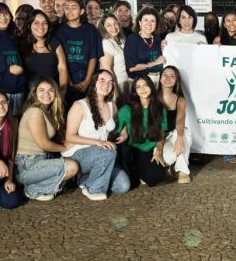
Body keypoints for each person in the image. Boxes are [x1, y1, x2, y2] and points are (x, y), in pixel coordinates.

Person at [62, 69, 130, 200]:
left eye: (110, 82)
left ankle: (85, 179)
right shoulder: (79, 106)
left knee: (123, 186)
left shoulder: (112, 106)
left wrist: (124, 131)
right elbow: (70, 136)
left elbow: (109, 131)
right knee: (109, 152)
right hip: (78, 154)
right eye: (102, 80)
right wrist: (98, 142)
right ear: (94, 83)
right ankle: (93, 189)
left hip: (101, 156)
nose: (106, 85)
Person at [15, 78, 79, 201]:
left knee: (72, 163)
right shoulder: (35, 112)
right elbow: (44, 144)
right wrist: (65, 147)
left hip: (40, 159)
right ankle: (33, 189)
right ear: (35, 93)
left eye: (50, 90)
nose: (46, 93)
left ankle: (37, 186)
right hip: (27, 164)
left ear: (55, 92)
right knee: (72, 167)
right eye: (42, 90)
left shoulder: (46, 111)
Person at [213, 11, 236, 164]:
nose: (231, 23)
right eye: (227, 21)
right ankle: (228, 151)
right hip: (225, 83)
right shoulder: (218, 40)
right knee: (228, 118)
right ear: (223, 24)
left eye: (234, 20)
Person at [117, 75, 168, 186]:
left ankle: (142, 170)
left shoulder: (160, 108)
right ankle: (132, 171)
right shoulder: (126, 109)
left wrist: (159, 151)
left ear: (151, 87)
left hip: (149, 149)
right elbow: (118, 132)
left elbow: (161, 133)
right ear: (135, 91)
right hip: (133, 149)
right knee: (131, 183)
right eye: (138, 87)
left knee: (156, 177)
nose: (143, 89)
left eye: (145, 85)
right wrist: (124, 130)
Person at [53, 0, 103, 108]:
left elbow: (93, 57)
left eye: (73, 8)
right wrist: (69, 82)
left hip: (87, 79)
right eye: (67, 8)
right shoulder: (58, 30)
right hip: (65, 80)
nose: (69, 11)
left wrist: (87, 81)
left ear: (81, 11)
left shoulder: (90, 30)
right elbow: (60, 59)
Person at [19, 9, 69, 92]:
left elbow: (62, 69)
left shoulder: (54, 43)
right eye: (36, 23)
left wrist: (62, 93)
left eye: (44, 23)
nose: (41, 26)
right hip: (29, 94)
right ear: (29, 25)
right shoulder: (21, 44)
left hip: (52, 92)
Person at [159, 66, 193, 183]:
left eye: (172, 76)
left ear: (176, 80)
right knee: (168, 158)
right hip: (159, 138)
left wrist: (179, 138)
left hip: (173, 134)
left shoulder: (180, 99)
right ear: (160, 78)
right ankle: (169, 166)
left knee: (185, 134)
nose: (168, 78)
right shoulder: (152, 97)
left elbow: (180, 120)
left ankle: (183, 171)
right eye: (165, 75)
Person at [126, 7, 165, 87]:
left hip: (157, 81)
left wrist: (164, 49)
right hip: (139, 82)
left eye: (152, 21)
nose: (149, 23)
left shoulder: (158, 39)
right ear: (140, 22)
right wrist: (155, 63)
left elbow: (162, 60)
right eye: (145, 20)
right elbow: (132, 68)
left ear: (156, 24)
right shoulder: (132, 39)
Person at [98, 14, 129, 97]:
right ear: (103, 28)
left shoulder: (122, 40)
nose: (113, 27)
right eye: (108, 25)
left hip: (127, 84)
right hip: (117, 85)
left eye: (115, 23)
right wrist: (115, 92)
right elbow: (107, 70)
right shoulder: (106, 43)